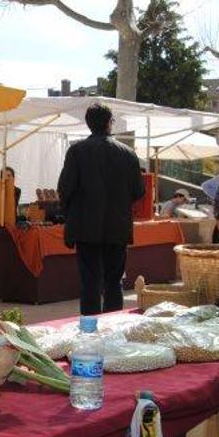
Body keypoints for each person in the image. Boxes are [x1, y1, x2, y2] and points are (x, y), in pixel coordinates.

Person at [57, 102, 145, 315]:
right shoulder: (128, 153)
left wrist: (71, 213)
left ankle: (90, 328)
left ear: (88, 124)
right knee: (113, 281)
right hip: (117, 227)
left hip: (86, 228)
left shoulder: (77, 151)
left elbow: (65, 188)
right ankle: (113, 326)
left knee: (90, 281)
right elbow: (138, 191)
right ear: (109, 123)